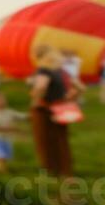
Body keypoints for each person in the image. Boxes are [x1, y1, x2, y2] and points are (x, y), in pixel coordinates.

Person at [29, 44, 79, 178]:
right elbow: (79, 88)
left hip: (45, 109)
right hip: (61, 108)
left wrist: (35, 100)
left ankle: (52, 170)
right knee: (61, 140)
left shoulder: (43, 70)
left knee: (46, 141)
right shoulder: (61, 71)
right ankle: (66, 169)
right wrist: (68, 98)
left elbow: (41, 87)